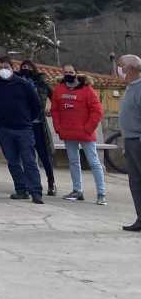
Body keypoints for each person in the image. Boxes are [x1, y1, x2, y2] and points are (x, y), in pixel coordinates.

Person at [0, 56, 45, 204]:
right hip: (4, 129)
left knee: (29, 162)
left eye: (6, 66)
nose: (3, 70)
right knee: (13, 162)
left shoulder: (24, 85)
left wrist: (27, 119)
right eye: (0, 67)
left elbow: (36, 105)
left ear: (12, 68)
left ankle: (36, 192)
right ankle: (21, 189)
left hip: (24, 129)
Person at [50, 64, 105, 205]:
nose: (68, 74)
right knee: (74, 162)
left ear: (76, 73)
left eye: (71, 72)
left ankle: (101, 193)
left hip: (85, 134)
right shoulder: (59, 90)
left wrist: (88, 128)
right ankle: (77, 190)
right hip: (68, 134)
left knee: (94, 163)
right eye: (66, 72)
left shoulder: (88, 90)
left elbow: (97, 111)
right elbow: (55, 110)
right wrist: (58, 128)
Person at [19, 60, 58, 196]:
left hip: (38, 124)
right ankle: (30, 184)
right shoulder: (17, 83)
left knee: (43, 155)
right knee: (26, 157)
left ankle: (51, 182)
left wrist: (51, 109)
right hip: (23, 124)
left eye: (29, 67)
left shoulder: (41, 84)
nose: (26, 69)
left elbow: (55, 99)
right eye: (23, 67)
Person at [117, 54, 141, 232]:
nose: (119, 69)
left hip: (138, 141)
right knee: (135, 181)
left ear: (130, 69)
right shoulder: (130, 88)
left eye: (121, 66)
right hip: (131, 141)